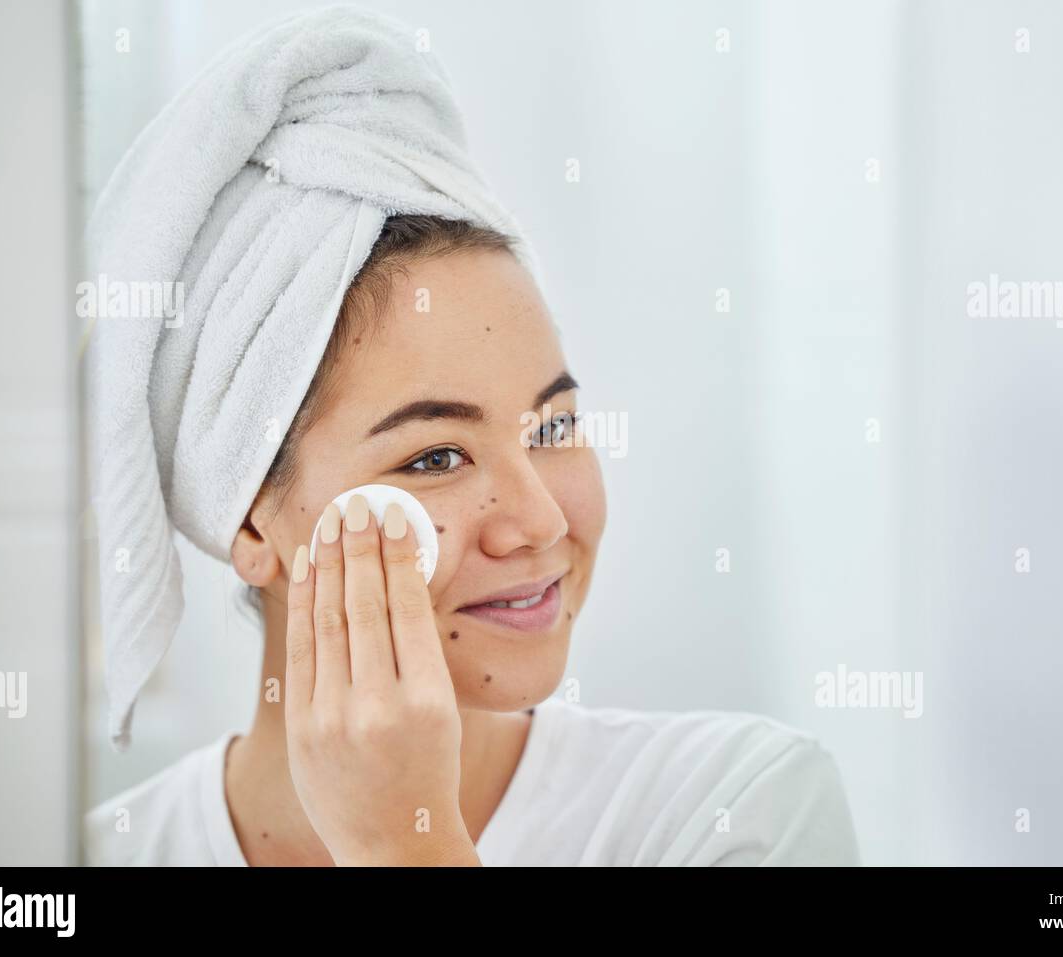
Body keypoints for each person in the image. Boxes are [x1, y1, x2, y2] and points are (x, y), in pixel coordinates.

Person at [82, 8, 859, 867]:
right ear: (254, 523)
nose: (538, 521)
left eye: (553, 426)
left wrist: (400, 844)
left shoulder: (734, 808)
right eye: (436, 457)